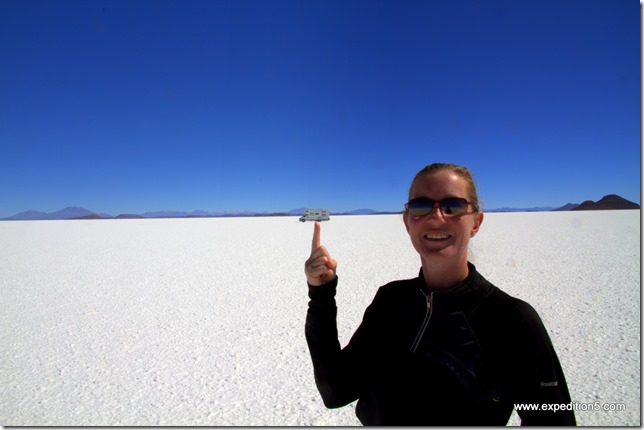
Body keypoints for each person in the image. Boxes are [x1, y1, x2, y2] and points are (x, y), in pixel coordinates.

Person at [304, 163, 576, 426]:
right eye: (421, 206)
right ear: (407, 222)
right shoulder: (391, 301)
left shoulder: (512, 321)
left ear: (476, 223)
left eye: (452, 206)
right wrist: (321, 295)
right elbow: (336, 391)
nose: (436, 217)